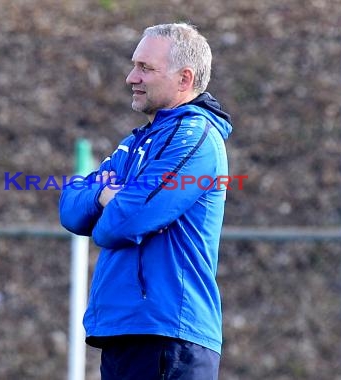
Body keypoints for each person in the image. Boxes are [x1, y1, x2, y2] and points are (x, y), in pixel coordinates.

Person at [59, 22, 232, 380]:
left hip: (168, 334)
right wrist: (105, 195)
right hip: (122, 328)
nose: (130, 77)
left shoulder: (195, 137)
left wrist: (109, 207)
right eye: (134, 64)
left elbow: (123, 222)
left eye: (145, 68)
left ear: (184, 79)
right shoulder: (136, 143)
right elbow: (71, 207)